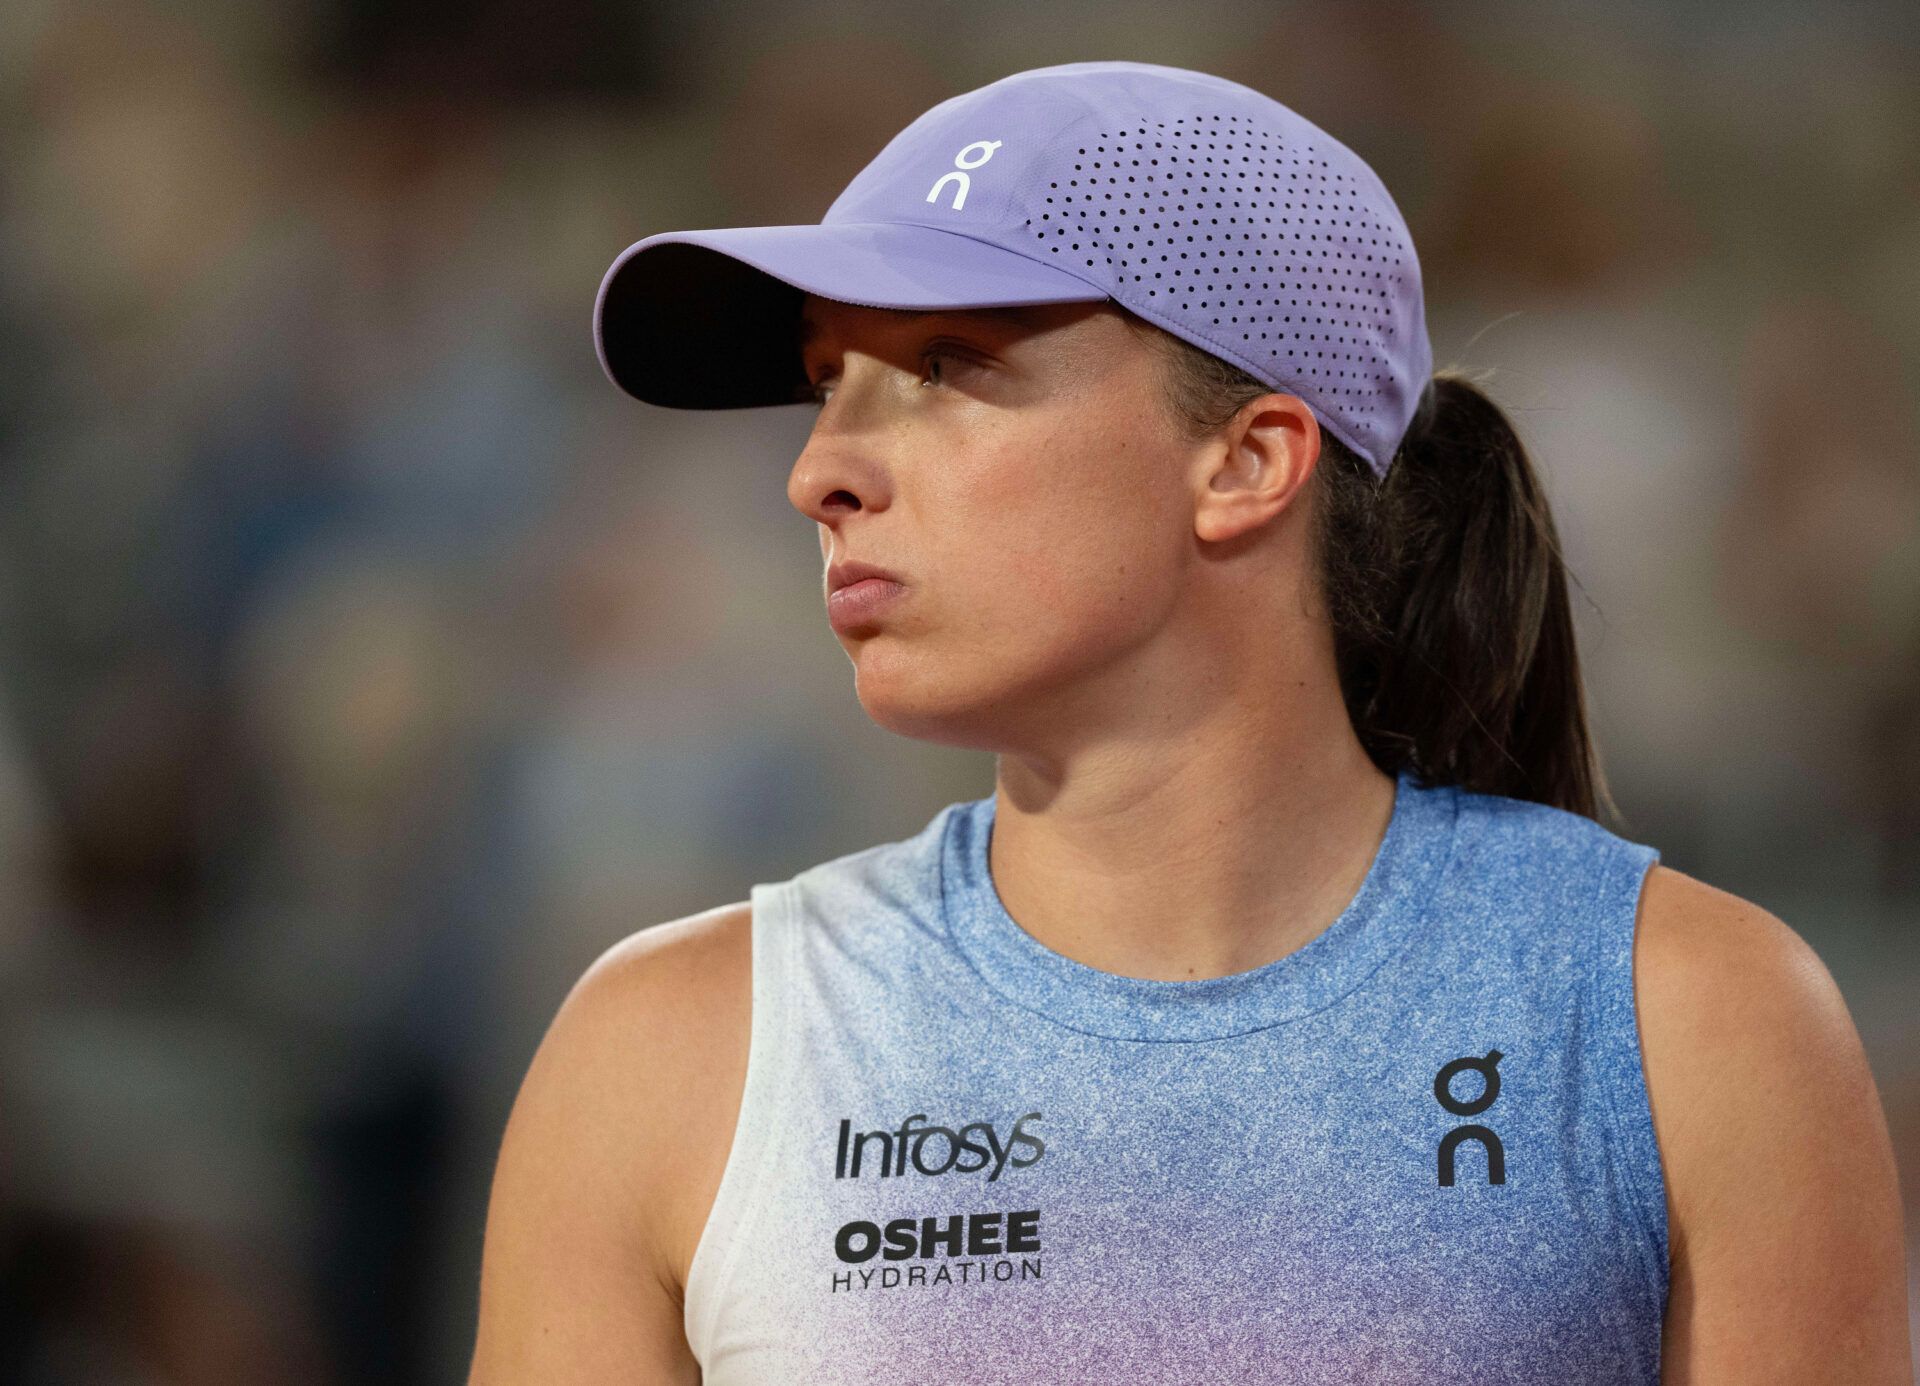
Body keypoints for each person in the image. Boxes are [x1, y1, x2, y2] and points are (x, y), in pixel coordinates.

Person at [467, 61, 1911, 1383]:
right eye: (827, 383)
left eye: (948, 366)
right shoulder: (660, 1061)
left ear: (1248, 462)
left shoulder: (1696, 1024)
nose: (818, 474)